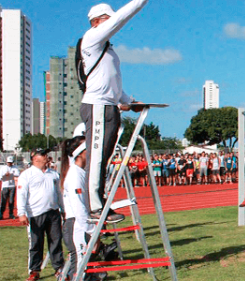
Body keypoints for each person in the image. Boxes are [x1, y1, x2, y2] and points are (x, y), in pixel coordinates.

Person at [81, 0, 149, 223]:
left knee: (104, 157)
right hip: (98, 105)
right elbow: (121, 18)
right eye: (107, 21)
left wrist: (130, 101)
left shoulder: (107, 49)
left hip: (109, 105)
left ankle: (99, 203)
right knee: (97, 157)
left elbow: (113, 83)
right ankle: (94, 206)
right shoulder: (91, 38)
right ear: (97, 22)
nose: (112, 25)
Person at [59, 136, 106, 280]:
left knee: (85, 269)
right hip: (77, 226)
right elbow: (79, 208)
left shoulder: (81, 172)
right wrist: (93, 231)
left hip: (81, 225)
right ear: (80, 152)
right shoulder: (75, 175)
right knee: (80, 270)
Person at [16, 149, 64, 281]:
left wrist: (63, 209)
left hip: (53, 212)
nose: (46, 157)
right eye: (43, 155)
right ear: (35, 159)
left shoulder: (53, 173)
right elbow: (21, 194)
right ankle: (34, 270)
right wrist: (21, 213)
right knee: (36, 243)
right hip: (35, 214)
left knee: (55, 240)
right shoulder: (27, 175)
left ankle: (59, 268)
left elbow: (58, 193)